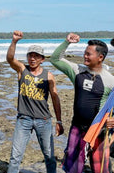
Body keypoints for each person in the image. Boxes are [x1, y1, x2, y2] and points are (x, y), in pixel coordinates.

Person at [50, 33, 114, 173]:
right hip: (78, 128)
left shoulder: (110, 80)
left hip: (99, 131)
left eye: (88, 54)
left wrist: (113, 120)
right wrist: (66, 43)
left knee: (100, 169)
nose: (85, 56)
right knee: (73, 168)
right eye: (84, 53)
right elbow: (55, 59)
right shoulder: (77, 71)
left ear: (100, 57)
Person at [6, 30, 64, 173]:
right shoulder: (22, 70)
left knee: (49, 156)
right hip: (23, 119)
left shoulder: (48, 75)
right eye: (30, 55)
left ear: (42, 59)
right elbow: (10, 58)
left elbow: (55, 99)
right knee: (15, 157)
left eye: (36, 56)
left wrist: (59, 121)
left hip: (43, 120)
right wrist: (14, 41)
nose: (32, 58)